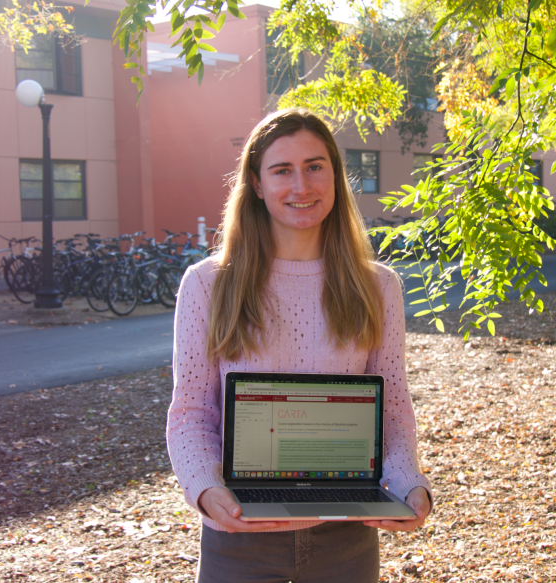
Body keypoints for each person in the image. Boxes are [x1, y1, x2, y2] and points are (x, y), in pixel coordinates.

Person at [167, 108, 432, 583]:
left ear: (335, 173)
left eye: (315, 166)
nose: (301, 186)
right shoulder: (208, 284)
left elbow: (392, 409)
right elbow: (190, 412)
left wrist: (411, 485)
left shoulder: (379, 286)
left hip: (347, 535)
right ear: (256, 181)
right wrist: (206, 490)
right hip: (240, 536)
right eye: (282, 170)